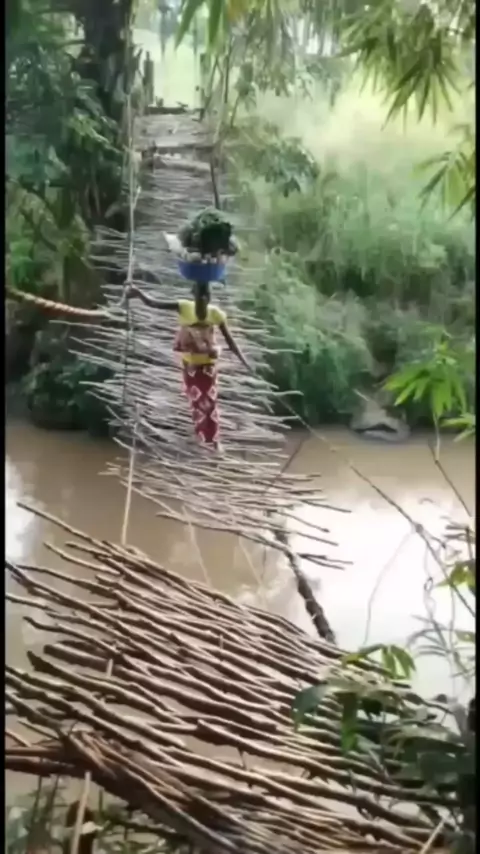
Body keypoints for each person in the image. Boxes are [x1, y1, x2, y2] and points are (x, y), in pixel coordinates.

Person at [124, 281, 251, 449]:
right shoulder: (184, 307)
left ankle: (213, 441)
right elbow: (153, 303)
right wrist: (138, 293)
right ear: (194, 296)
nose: (201, 301)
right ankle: (203, 439)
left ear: (208, 298)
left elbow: (231, 342)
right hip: (190, 367)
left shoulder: (215, 313)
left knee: (209, 402)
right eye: (199, 297)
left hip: (207, 366)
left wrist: (244, 361)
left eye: (204, 298)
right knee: (197, 403)